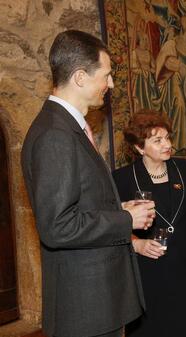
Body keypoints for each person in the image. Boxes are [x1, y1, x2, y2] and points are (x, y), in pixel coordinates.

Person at [20, 30, 156, 337]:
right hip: (86, 306)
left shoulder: (69, 128)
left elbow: (77, 201)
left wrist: (117, 207)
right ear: (80, 77)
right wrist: (125, 219)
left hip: (99, 300)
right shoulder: (55, 135)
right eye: (106, 75)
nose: (110, 84)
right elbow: (57, 226)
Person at [112, 110, 186, 337]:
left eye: (167, 138)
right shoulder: (122, 178)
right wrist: (136, 242)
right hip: (149, 265)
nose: (167, 144)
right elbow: (115, 224)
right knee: (155, 326)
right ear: (140, 148)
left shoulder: (184, 168)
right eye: (157, 140)